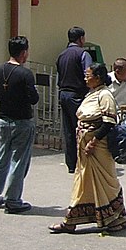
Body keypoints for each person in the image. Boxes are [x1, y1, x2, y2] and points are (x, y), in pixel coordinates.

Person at [49, 62, 126, 233]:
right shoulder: (92, 93)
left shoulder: (105, 95)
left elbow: (109, 122)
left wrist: (93, 141)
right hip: (85, 149)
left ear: (98, 78)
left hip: (97, 149)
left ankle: (117, 218)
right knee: (83, 183)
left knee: (106, 183)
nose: (85, 78)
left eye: (88, 75)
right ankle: (71, 220)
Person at [0, 35, 39, 212]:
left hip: (4, 119)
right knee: (19, 161)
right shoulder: (25, 74)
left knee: (2, 158)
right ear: (24, 53)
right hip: (22, 121)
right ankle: (13, 200)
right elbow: (34, 98)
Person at [56, 26, 92, 174]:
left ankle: (71, 163)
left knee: (68, 130)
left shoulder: (62, 55)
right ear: (81, 39)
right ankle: (83, 161)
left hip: (63, 93)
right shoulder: (83, 54)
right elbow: (89, 75)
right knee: (82, 128)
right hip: (77, 95)